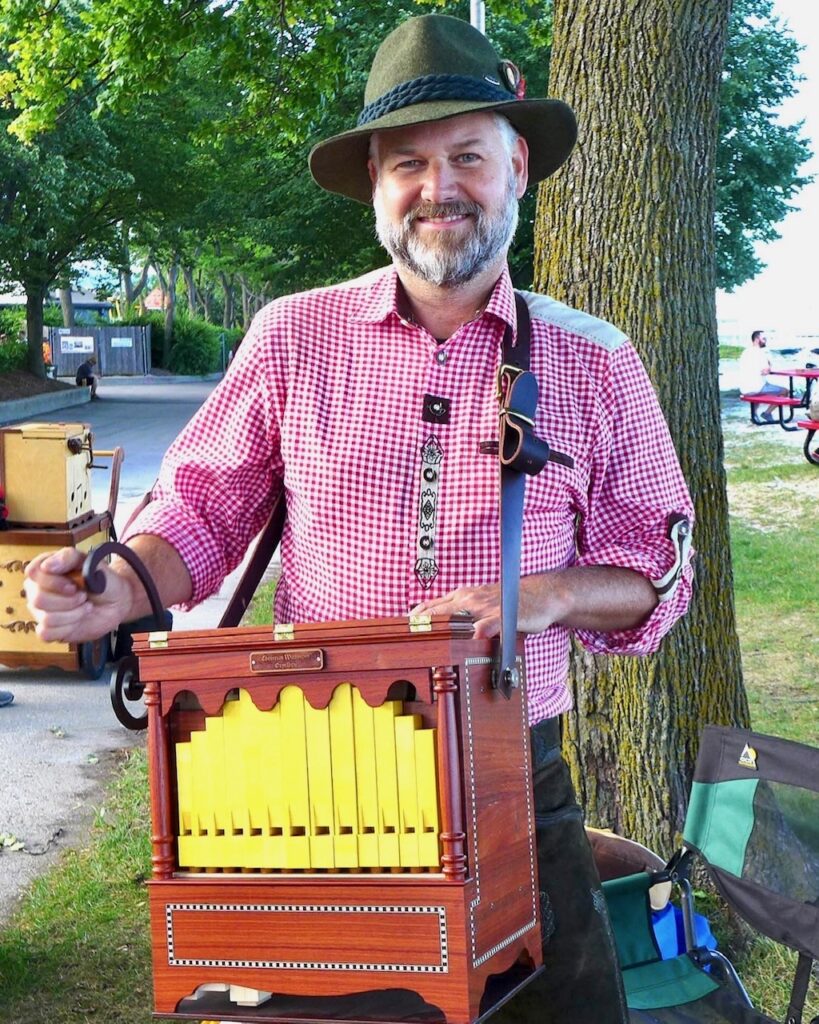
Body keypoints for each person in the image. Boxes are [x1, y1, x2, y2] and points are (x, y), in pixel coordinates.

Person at [23, 15, 694, 1022]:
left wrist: (544, 594)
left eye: (468, 155)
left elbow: (657, 573)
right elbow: (202, 509)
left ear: (516, 166)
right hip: (317, 780)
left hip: (517, 782)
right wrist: (116, 585)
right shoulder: (294, 335)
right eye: (409, 164)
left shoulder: (595, 359)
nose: (440, 188)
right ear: (376, 186)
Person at [738, 330, 788, 421]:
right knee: (784, 391)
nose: (765, 341)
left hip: (744, 388)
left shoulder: (745, 352)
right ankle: (767, 413)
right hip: (756, 387)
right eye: (764, 339)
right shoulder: (759, 353)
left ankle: (754, 415)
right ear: (757, 339)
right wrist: (770, 364)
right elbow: (765, 371)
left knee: (761, 388)